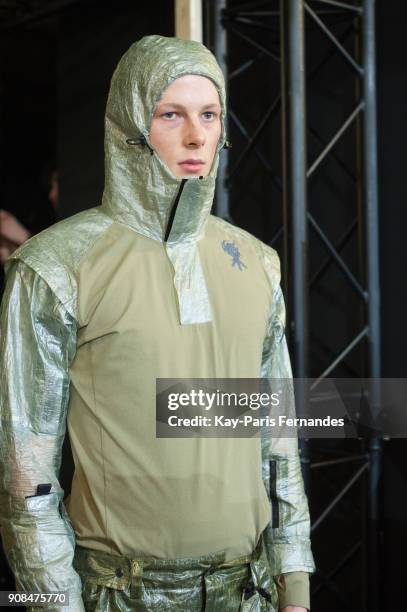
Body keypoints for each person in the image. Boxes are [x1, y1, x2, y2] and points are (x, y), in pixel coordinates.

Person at [0, 35, 315, 611]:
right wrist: (53, 603)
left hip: (249, 589)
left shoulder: (256, 263)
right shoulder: (55, 267)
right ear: (129, 123)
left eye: (210, 114)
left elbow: (279, 438)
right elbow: (26, 476)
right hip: (118, 593)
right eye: (171, 114)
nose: (197, 135)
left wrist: (295, 581)